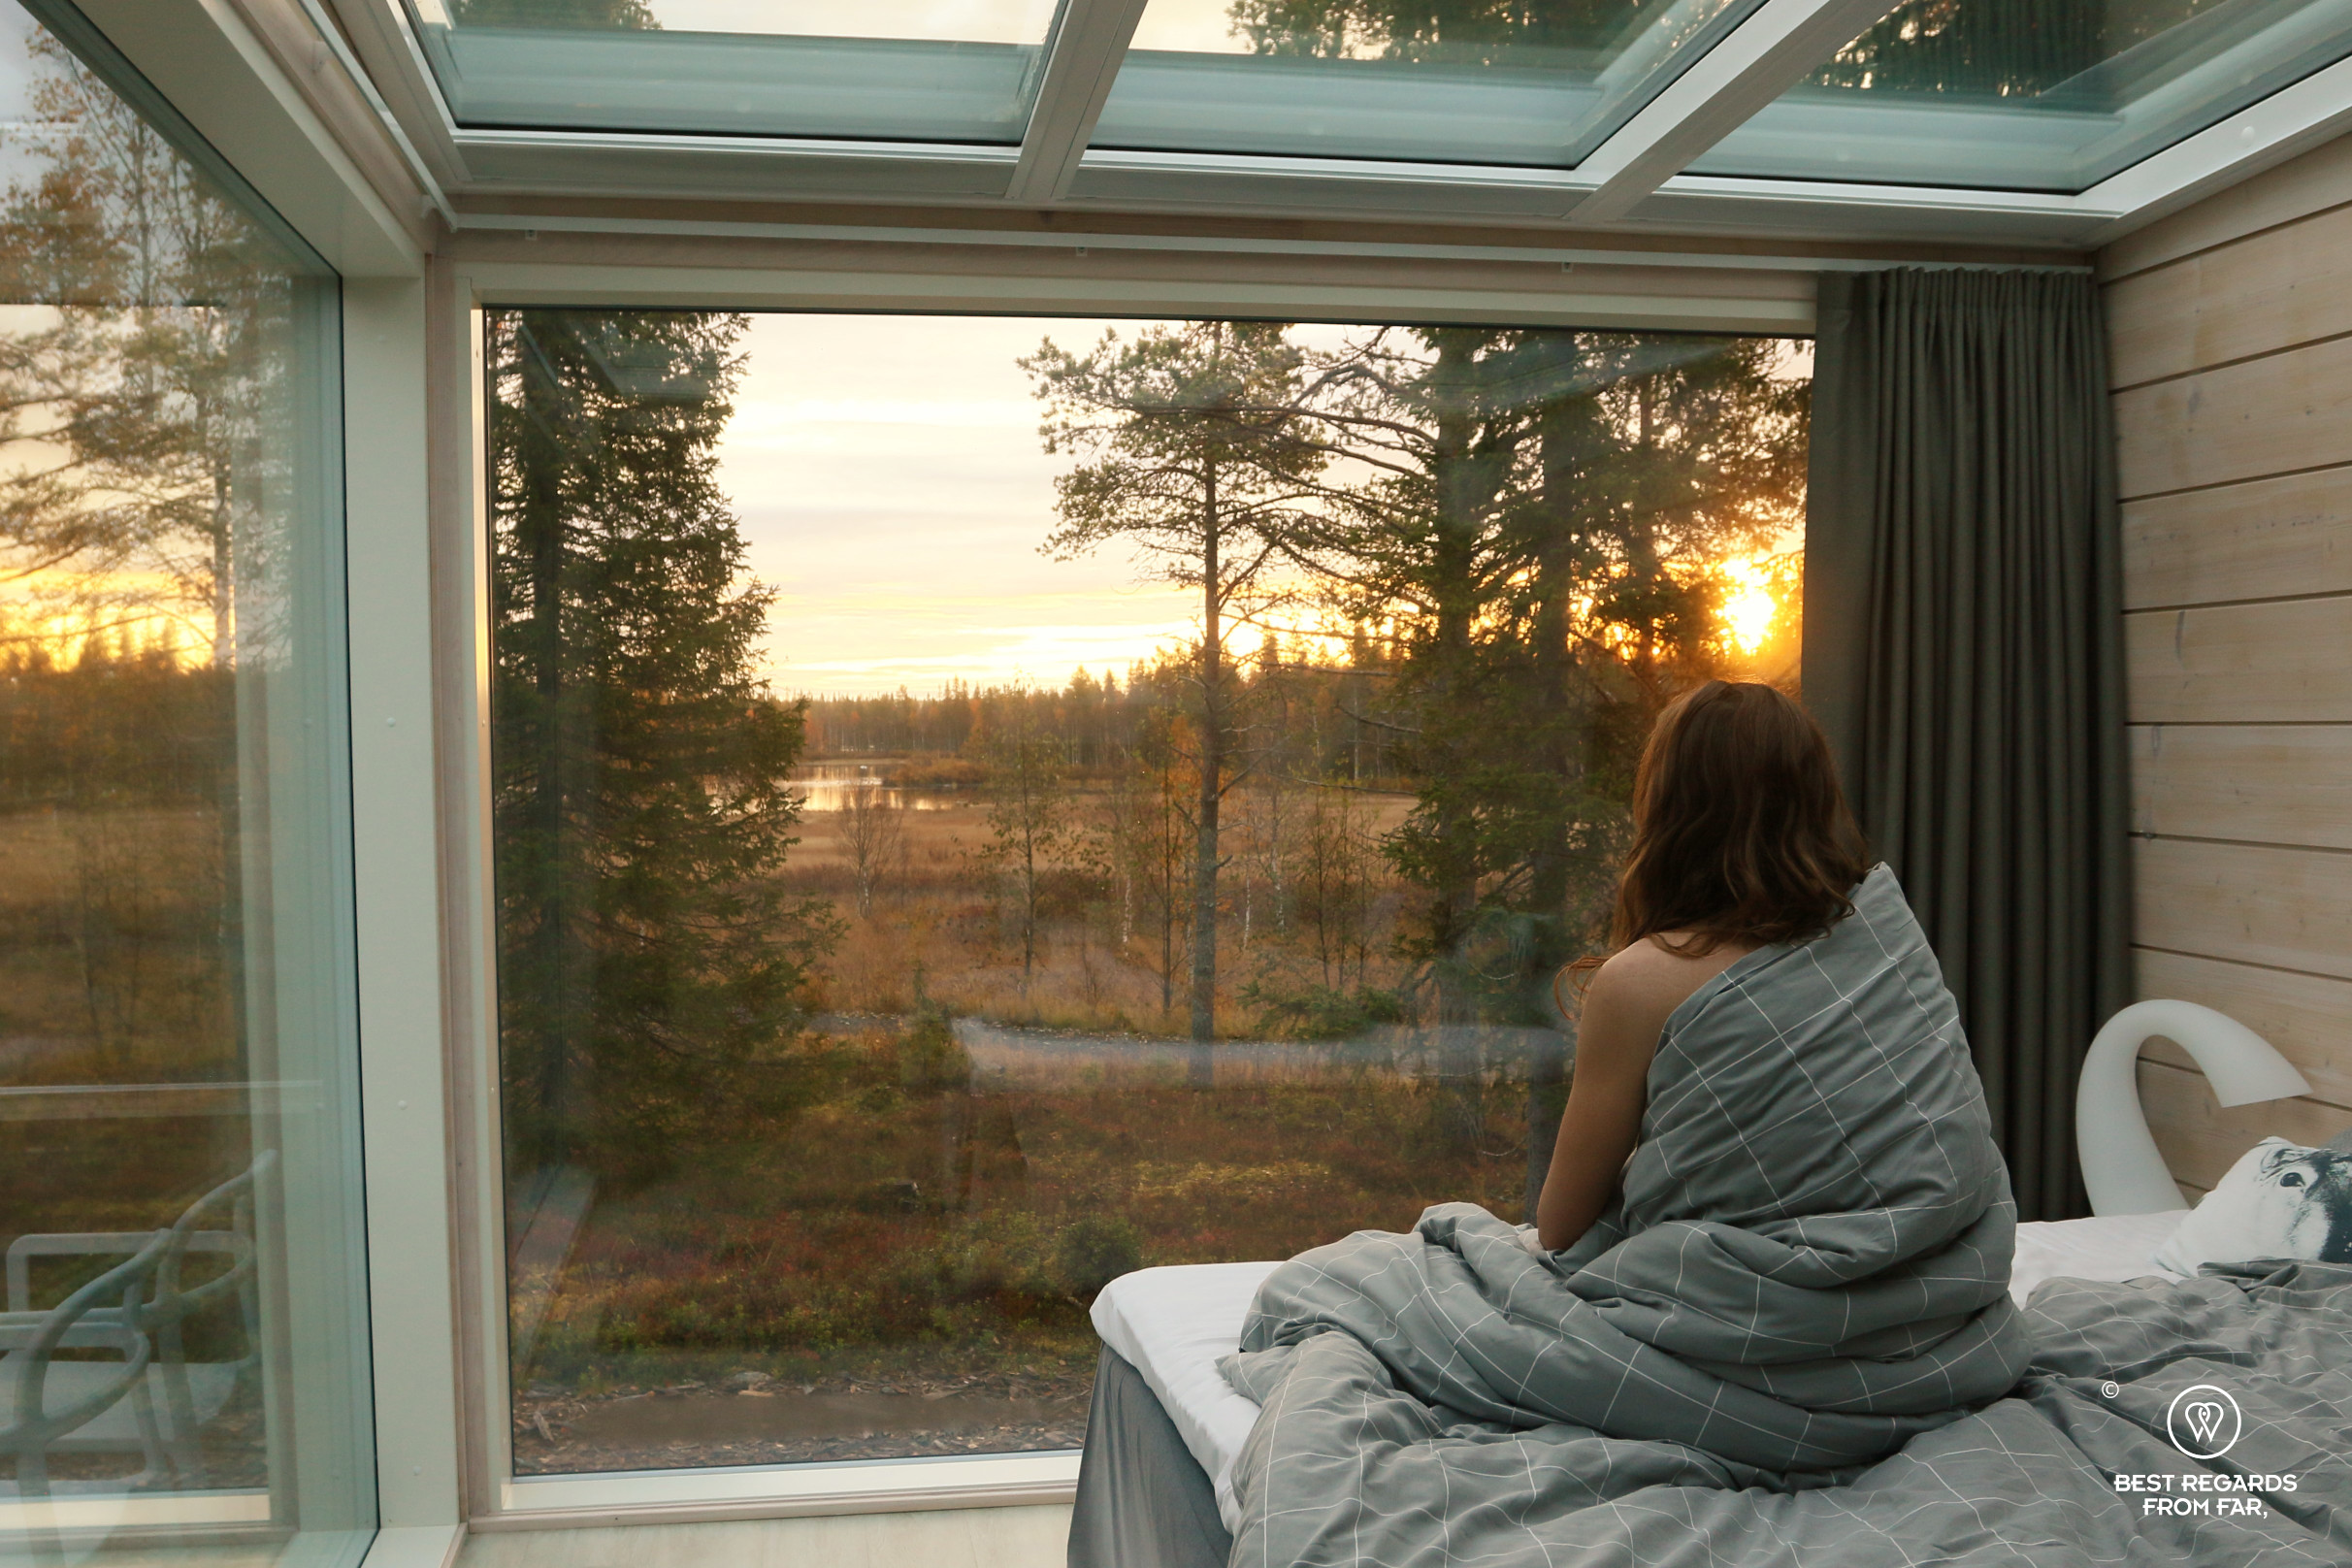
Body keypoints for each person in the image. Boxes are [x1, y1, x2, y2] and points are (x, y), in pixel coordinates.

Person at [1534, 678, 1873, 1253]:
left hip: (1731, 1289)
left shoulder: (1639, 982)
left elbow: (1559, 1226)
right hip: (1911, 1273)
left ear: (1667, 804)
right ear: (1815, 796)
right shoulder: (1875, 943)